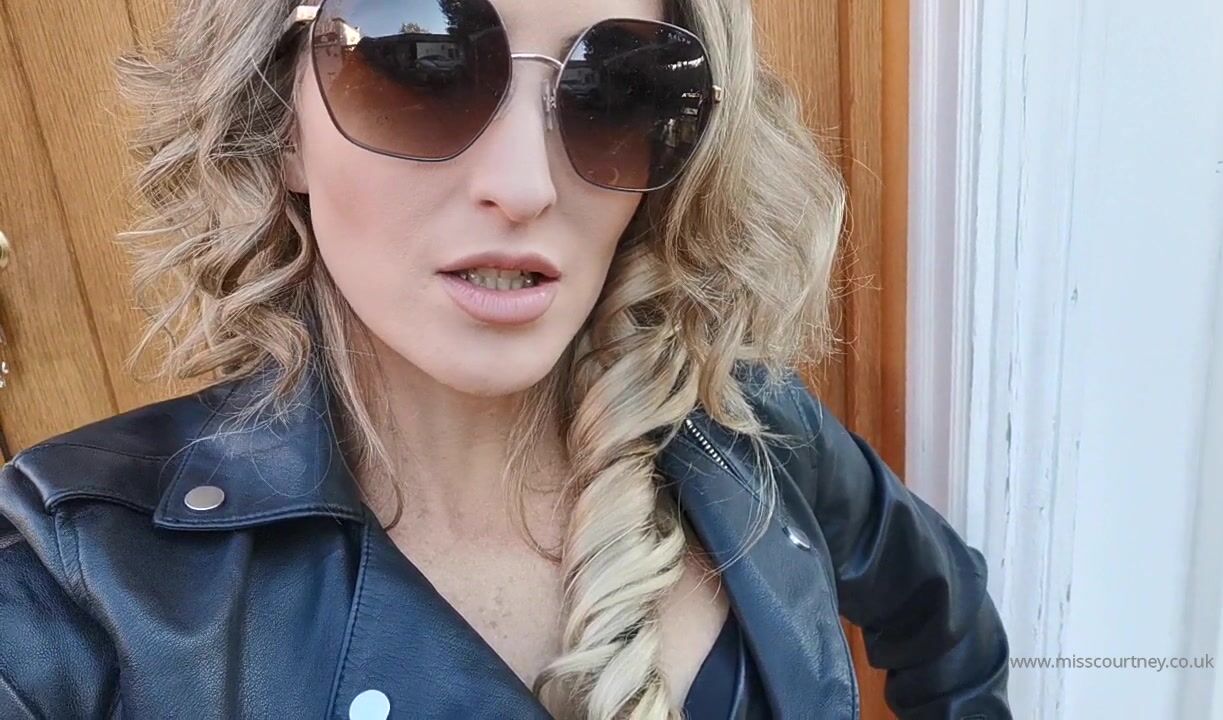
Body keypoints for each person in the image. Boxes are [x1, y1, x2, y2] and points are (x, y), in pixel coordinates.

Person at [0, 0, 1012, 718]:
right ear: (282, 128)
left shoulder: (747, 424)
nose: (526, 185)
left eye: (615, 90)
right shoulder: (78, 584)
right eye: (420, 63)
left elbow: (947, 621)